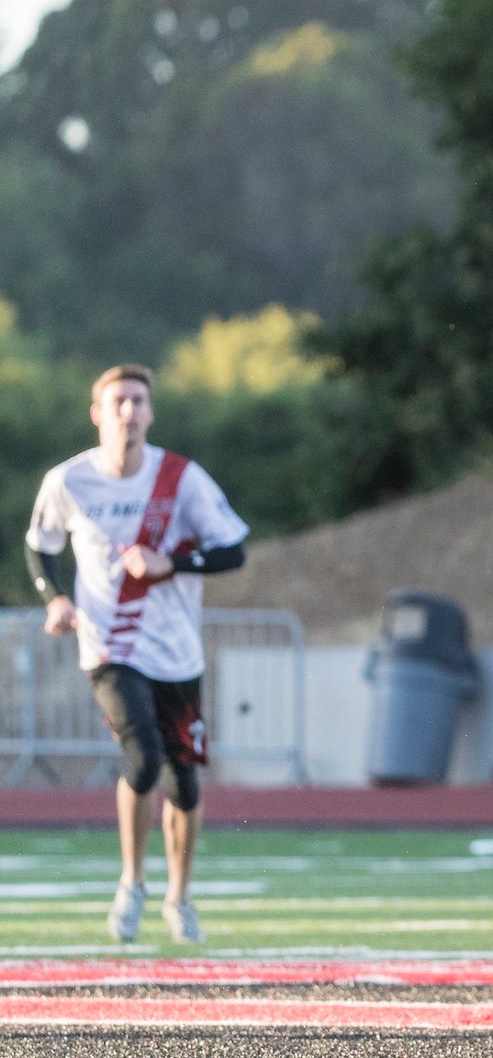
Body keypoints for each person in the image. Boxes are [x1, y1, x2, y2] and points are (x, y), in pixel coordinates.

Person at [25, 364, 249, 944]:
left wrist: (170, 562)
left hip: (176, 652)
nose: (129, 410)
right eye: (118, 401)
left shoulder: (181, 478)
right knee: (143, 759)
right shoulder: (69, 480)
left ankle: (180, 896)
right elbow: (39, 546)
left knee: (184, 783)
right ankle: (132, 882)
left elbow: (233, 550)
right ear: (97, 413)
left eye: (138, 401)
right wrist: (55, 599)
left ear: (151, 413)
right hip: (109, 647)